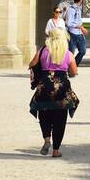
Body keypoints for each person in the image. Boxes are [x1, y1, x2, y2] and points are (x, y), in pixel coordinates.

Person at [28, 29, 78, 157]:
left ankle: (46, 139)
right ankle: (56, 150)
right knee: (60, 119)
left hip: (45, 85)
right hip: (61, 87)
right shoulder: (68, 54)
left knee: (43, 113)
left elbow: (32, 64)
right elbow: (74, 71)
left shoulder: (43, 51)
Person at [65, 0, 87, 64]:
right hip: (73, 34)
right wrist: (80, 27)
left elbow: (78, 21)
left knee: (83, 51)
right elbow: (68, 23)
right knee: (71, 53)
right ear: (81, 0)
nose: (84, 1)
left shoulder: (78, 9)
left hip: (79, 33)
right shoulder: (71, 9)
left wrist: (82, 28)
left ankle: (74, 65)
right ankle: (70, 68)